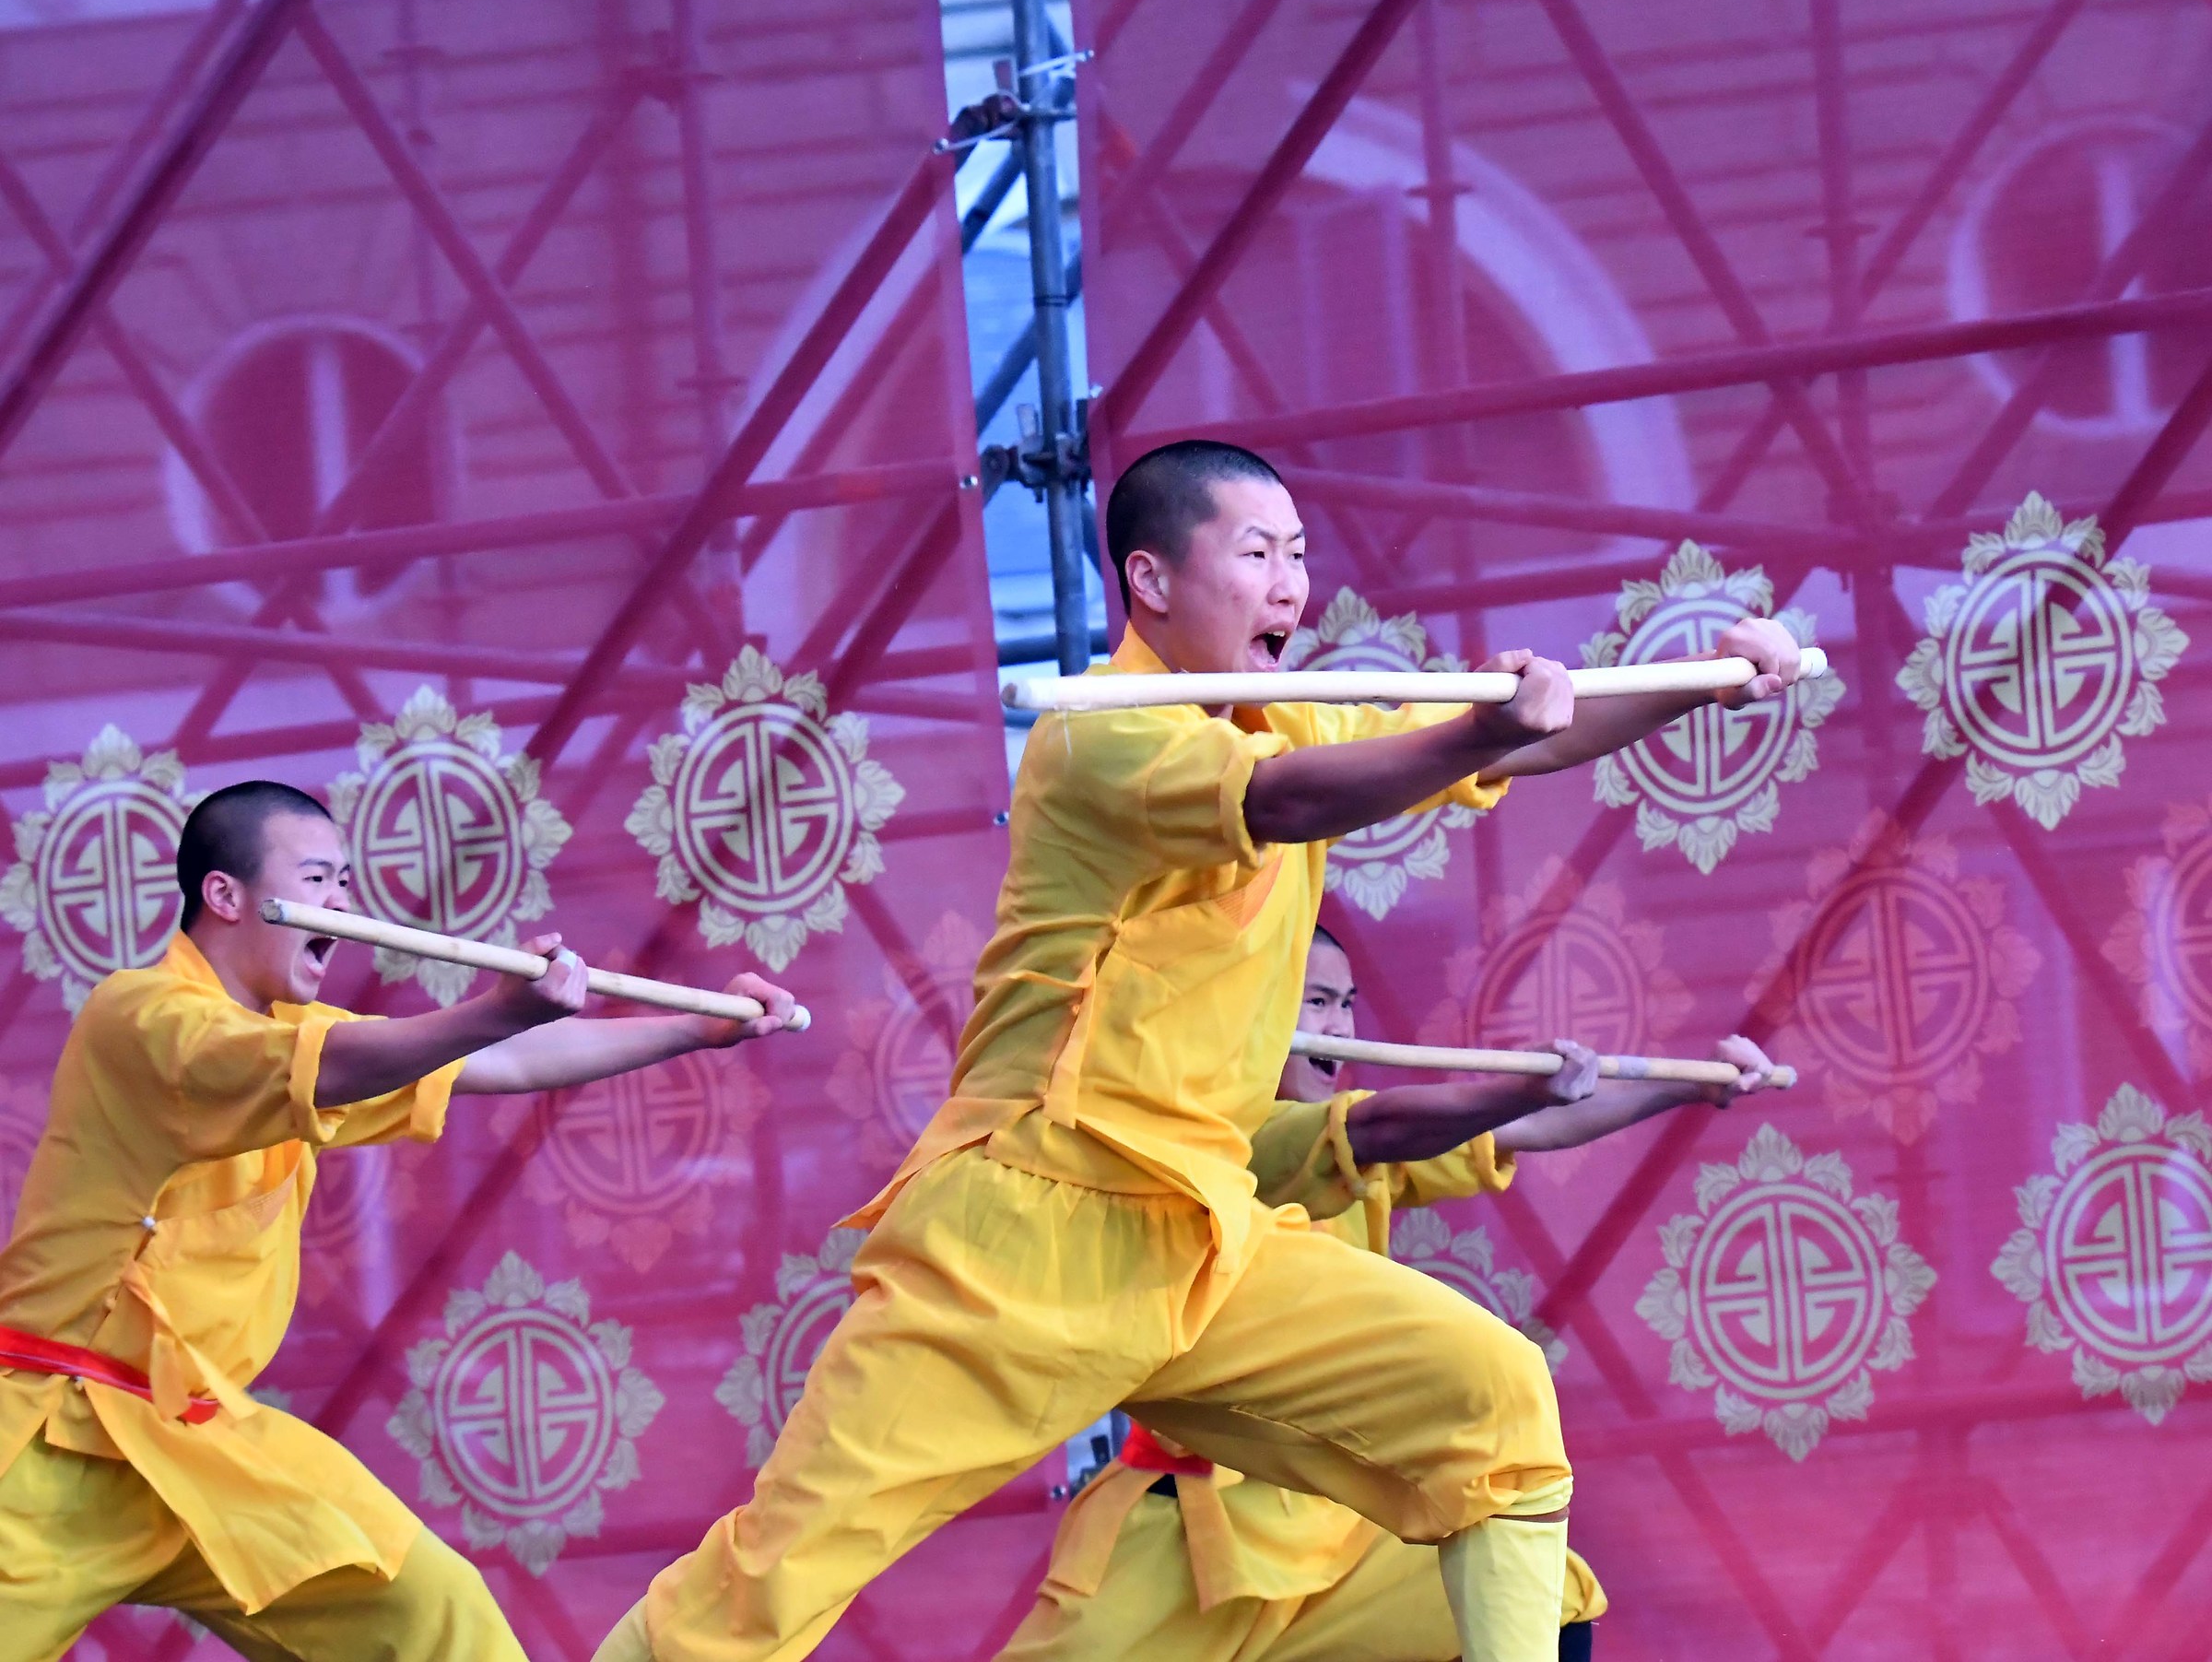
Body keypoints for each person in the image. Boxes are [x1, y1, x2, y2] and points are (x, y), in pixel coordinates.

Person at [600, 438, 1807, 1662]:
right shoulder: (1100, 734)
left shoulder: (1300, 714)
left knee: (1494, 1398)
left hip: (1207, 1233)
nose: (1289, 584)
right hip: (1029, 1235)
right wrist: (1468, 735)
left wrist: (1698, 686)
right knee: (762, 1592)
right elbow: (1287, 800)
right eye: (1256, 552)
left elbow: (1522, 739)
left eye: (1298, 554)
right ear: (1152, 580)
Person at [0, 781, 798, 1661]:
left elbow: (503, 1058)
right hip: (48, 1438)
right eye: (318, 879)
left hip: (194, 1440)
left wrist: (692, 1030)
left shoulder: (300, 1031)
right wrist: (490, 1010)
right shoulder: (140, 1017)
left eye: (346, 881)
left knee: (432, 1615)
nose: (343, 905)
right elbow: (336, 1065)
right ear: (225, 895)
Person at [996, 927, 1785, 1662]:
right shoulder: (1193, 1148)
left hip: (1339, 1529)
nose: (1336, 1025)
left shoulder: (1365, 1158)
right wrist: (1519, 1092)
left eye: (1345, 1004)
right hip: (1192, 1531)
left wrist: (1686, 1090)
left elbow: (1525, 1133)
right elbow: (1379, 1129)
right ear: (1249, 1008)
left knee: (1549, 1601)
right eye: (1315, 1001)